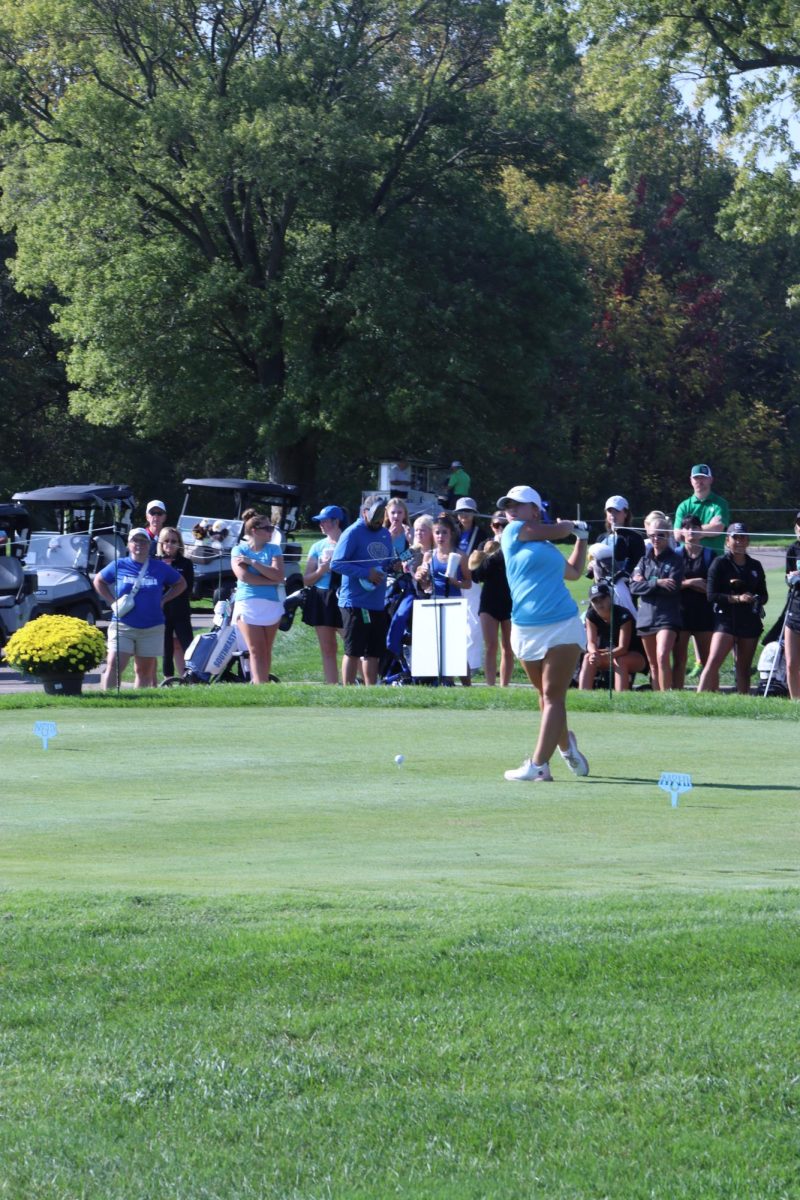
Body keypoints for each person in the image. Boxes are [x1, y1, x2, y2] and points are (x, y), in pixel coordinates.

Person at [498, 485, 590, 782]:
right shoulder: (513, 532)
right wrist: (570, 527)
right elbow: (559, 530)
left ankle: (538, 765)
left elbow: (574, 572)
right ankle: (566, 746)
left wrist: (582, 539)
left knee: (552, 696)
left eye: (519, 504)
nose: (511, 508)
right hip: (525, 629)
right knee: (546, 697)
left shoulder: (548, 548)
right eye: (508, 504)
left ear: (536, 509)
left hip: (563, 625)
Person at [94, 526, 186, 689]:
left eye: (143, 541)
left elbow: (181, 583)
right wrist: (111, 601)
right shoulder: (119, 564)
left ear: (149, 544)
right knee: (115, 665)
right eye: (135, 540)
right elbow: (99, 580)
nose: (139, 544)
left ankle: (136, 706)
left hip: (152, 627)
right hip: (123, 624)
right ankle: (107, 704)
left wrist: (164, 599)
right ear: (128, 544)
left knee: (144, 671)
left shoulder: (160, 567)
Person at [697, 523, 768, 694]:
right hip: (725, 620)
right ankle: (698, 698)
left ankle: (743, 701)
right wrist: (736, 598)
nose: (739, 541)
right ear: (727, 541)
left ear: (748, 541)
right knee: (713, 662)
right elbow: (711, 595)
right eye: (735, 538)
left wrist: (755, 598)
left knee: (743, 668)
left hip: (749, 621)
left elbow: (764, 595)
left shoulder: (755, 565)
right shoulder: (719, 563)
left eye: (743, 537)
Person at [331, 495, 393, 685]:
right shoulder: (352, 533)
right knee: (353, 651)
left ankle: (370, 691)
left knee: (373, 652)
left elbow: (387, 563)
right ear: (365, 513)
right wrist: (366, 573)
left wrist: (397, 566)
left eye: (382, 515)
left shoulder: (385, 534)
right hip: (355, 602)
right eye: (376, 515)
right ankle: (348, 691)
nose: (379, 520)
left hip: (377, 602)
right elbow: (336, 563)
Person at [630, 513, 684, 690]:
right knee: (652, 663)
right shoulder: (644, 560)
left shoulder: (676, 560)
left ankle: (666, 696)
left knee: (662, 657)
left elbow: (673, 587)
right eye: (652, 535)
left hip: (667, 617)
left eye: (660, 534)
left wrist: (645, 583)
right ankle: (658, 698)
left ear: (668, 535)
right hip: (646, 617)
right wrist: (657, 583)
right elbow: (633, 587)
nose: (655, 538)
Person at [231, 513, 285, 684]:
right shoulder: (239, 550)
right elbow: (244, 577)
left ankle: (262, 684)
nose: (271, 531)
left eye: (272, 528)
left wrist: (253, 563)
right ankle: (260, 684)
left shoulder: (274, 549)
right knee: (256, 649)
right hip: (247, 603)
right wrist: (270, 580)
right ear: (254, 531)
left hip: (271, 604)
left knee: (266, 649)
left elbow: (278, 574)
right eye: (267, 528)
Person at [302, 504, 346, 685]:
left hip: (345, 595)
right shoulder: (317, 546)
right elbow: (307, 579)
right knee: (327, 648)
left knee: (352, 645)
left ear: (336, 522)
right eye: (320, 522)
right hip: (322, 597)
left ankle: (359, 685)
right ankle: (332, 686)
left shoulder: (348, 541)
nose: (321, 525)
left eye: (325, 521)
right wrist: (322, 570)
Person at [672, 515, 716, 690]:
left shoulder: (709, 555)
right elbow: (670, 585)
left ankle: (710, 695)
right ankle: (677, 695)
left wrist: (686, 584)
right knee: (679, 661)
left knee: (708, 661)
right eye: (687, 527)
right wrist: (691, 583)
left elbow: (712, 588)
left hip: (704, 615)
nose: (691, 531)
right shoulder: (675, 555)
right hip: (680, 614)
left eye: (695, 527)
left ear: (700, 531)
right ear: (682, 531)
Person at [468, 511, 513, 687]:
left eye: (504, 525)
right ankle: (490, 685)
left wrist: (504, 549)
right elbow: (477, 575)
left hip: (510, 600)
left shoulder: (514, 546)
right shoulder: (484, 545)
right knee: (491, 646)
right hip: (489, 600)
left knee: (508, 648)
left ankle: (505, 685)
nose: (500, 528)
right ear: (492, 526)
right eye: (497, 525)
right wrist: (491, 555)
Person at [578, 580, 647, 692]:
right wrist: (594, 654)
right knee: (588, 658)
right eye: (595, 600)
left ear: (610, 598)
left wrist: (604, 655)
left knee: (620, 660)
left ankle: (621, 697)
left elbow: (623, 648)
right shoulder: (591, 615)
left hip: (635, 656)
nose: (599, 603)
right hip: (610, 653)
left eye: (602, 598)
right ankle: (584, 695)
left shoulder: (623, 615)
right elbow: (591, 642)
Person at [454, 498, 490, 678]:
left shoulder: (481, 534)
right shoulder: (452, 532)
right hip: (453, 581)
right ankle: (453, 663)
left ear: (474, 513)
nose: (464, 515)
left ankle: (473, 664)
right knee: (455, 624)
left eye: (467, 511)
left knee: (474, 625)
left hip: (473, 583)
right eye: (461, 512)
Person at [157, 526, 195, 679]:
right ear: (161, 543)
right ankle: (168, 677)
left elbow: (188, 587)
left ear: (179, 543)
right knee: (167, 647)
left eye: (173, 541)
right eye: (166, 541)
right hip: (162, 611)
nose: (169, 545)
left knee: (187, 644)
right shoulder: (156, 562)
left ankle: (190, 674)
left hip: (181, 610)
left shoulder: (185, 563)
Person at [673, 465, 730, 553]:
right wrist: (707, 529)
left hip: (715, 560)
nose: (699, 481)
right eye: (696, 478)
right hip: (687, 560)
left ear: (711, 479)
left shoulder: (720, 504)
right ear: (691, 480)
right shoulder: (683, 506)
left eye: (703, 477)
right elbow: (678, 535)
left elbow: (717, 529)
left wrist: (689, 532)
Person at [601, 495, 646, 576]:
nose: (612, 514)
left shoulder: (635, 538)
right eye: (610, 511)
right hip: (602, 583)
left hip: (625, 584)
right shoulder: (601, 538)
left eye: (617, 511)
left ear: (626, 513)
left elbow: (639, 565)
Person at [784, 513, 800, 700]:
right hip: (795, 610)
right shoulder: (793, 549)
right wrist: (791, 578)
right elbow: (788, 579)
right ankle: (795, 704)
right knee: (791, 664)